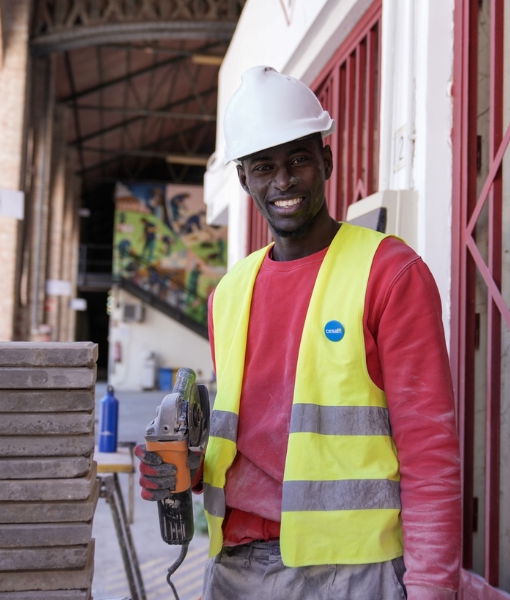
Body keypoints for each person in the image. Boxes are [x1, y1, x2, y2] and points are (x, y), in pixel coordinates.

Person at [135, 66, 459, 599]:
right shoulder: (230, 293)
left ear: (326, 160)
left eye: (299, 160)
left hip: (351, 574)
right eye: (264, 167)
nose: (283, 181)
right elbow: (250, 435)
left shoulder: (390, 273)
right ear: (244, 179)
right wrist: (187, 469)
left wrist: (432, 587)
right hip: (234, 567)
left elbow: (429, 449)